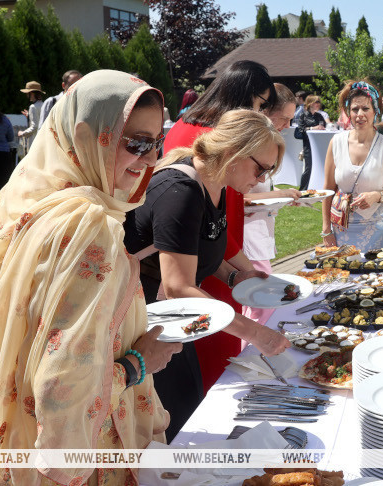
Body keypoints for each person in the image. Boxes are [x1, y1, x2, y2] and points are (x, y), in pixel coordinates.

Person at [0, 70, 182, 486]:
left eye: (156, 143)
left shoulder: (33, 204)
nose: (151, 160)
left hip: (18, 442)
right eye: (136, 143)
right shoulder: (88, 226)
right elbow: (64, 393)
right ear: (86, 135)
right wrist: (139, 364)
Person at [125, 109, 291, 441]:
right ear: (233, 152)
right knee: (170, 425)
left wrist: (235, 276)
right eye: (261, 168)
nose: (262, 178)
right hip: (138, 324)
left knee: (186, 412)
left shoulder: (217, 184)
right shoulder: (182, 190)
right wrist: (256, 333)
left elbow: (197, 249)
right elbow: (178, 287)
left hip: (167, 321)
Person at [242, 83, 301, 326]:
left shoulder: (266, 143)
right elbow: (242, 200)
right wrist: (282, 194)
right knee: (261, 306)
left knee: (255, 304)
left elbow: (260, 191)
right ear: (266, 112)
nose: (288, 125)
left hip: (260, 235)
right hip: (247, 238)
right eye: (284, 118)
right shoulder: (250, 146)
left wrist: (282, 197)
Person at [321, 81, 383, 250]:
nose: (360, 114)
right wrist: (326, 229)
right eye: (355, 109)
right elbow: (328, 189)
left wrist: (376, 196)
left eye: (366, 109)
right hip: (342, 227)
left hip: (380, 228)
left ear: (375, 111)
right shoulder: (336, 143)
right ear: (348, 112)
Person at [293, 95, 327, 190]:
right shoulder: (303, 115)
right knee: (309, 167)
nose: (318, 104)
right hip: (308, 145)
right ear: (310, 103)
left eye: (319, 102)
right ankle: (303, 189)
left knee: (320, 166)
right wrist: (313, 128)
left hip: (319, 144)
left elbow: (324, 126)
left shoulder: (319, 116)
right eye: (316, 102)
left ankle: (318, 187)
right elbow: (300, 130)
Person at [17, 81, 44, 151]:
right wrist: (29, 116)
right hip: (43, 140)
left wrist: (22, 133)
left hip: (35, 141)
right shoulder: (44, 104)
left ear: (31, 93)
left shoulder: (33, 107)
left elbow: (34, 127)